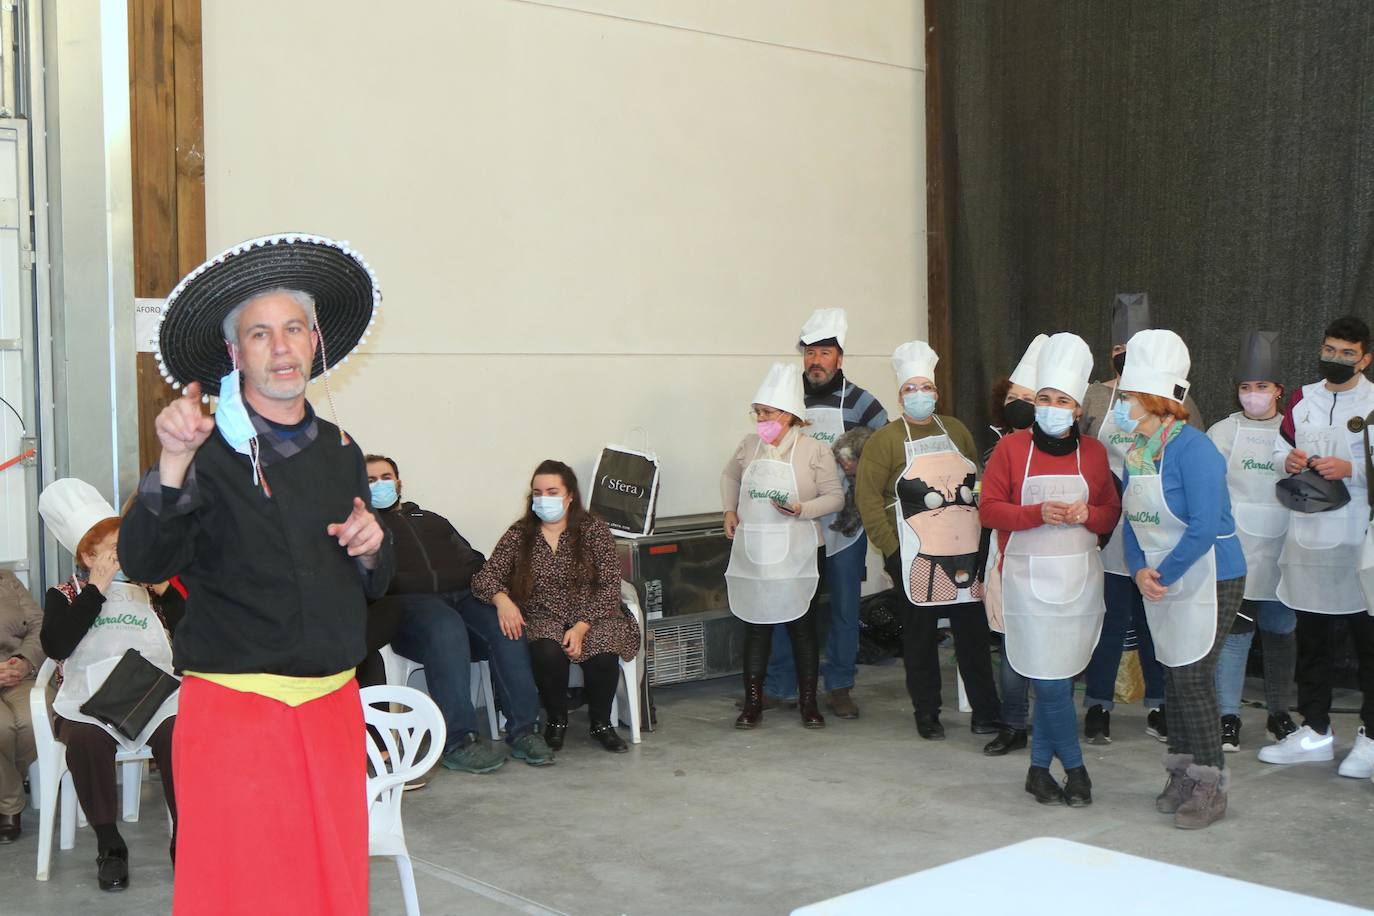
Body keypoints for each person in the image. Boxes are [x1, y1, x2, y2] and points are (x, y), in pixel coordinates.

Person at [118, 235, 395, 915]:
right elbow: (143, 563)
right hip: (236, 717)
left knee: (329, 890)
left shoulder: (341, 450)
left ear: (314, 343)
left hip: (331, 710)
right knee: (242, 893)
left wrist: (370, 546)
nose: (281, 347)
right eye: (261, 334)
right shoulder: (202, 453)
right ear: (235, 355)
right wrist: (173, 462)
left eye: (294, 329)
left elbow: (378, 582)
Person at [983, 333, 1119, 805]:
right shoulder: (1011, 450)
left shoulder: (1096, 455)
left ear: (1078, 409)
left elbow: (1110, 513)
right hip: (1026, 581)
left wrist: (1090, 515)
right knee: (1050, 680)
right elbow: (990, 510)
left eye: (1062, 400)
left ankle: (1039, 769)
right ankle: (1077, 771)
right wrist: (1034, 514)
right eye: (1045, 398)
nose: (1051, 406)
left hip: (1079, 583)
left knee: (1058, 677)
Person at [1117, 329, 1246, 830]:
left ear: (1151, 400)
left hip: (1212, 576)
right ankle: (1182, 774)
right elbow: (1131, 520)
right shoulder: (1138, 452)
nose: (1123, 406)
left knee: (1194, 680)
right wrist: (1137, 569)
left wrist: (1161, 574)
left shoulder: (1196, 450)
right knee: (1173, 676)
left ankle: (1210, 784)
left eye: (1128, 398)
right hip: (1162, 578)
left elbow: (1206, 526)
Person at [365, 454, 555, 773]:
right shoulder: (365, 530)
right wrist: (422, 583)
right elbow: (375, 580)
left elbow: (475, 562)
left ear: (399, 483)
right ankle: (458, 741)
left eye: (386, 477)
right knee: (446, 628)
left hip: (463, 596)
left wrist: (501, 597)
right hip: (411, 605)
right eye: (370, 480)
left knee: (506, 625)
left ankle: (525, 729)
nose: (381, 484)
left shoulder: (432, 519)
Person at [37, 479, 180, 891]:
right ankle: (110, 845)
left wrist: (167, 593)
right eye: (113, 548)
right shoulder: (65, 593)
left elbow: (189, 635)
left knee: (182, 732)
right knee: (84, 741)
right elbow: (56, 644)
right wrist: (96, 591)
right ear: (87, 554)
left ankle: (187, 839)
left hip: (153, 694)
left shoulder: (148, 589)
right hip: (87, 702)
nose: (125, 555)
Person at [855, 341, 1001, 740]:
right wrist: (892, 548)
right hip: (913, 552)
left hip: (963, 548)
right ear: (900, 395)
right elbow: (868, 497)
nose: (919, 395)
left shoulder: (955, 430)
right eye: (910, 389)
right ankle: (927, 712)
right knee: (919, 636)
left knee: (972, 632)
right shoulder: (884, 441)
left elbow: (973, 482)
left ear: (936, 392)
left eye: (925, 388)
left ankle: (986, 711)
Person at [1078, 294, 1204, 744]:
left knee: (1155, 619)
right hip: (1108, 522)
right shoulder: (1094, 395)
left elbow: (1190, 454)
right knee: (1110, 619)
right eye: (1118, 349)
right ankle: (1098, 704)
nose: (1125, 355)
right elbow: (1080, 453)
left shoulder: (1172, 401)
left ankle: (1159, 704)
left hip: (1158, 524)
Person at [757, 309, 888, 719]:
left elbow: (886, 453)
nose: (816, 361)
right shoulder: (786, 400)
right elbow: (763, 447)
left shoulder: (862, 402)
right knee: (788, 604)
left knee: (845, 607)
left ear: (840, 358)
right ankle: (781, 684)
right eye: (810, 352)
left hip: (842, 524)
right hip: (790, 521)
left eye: (825, 352)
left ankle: (840, 685)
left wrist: (861, 466)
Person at [1259, 315, 1374, 778]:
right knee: (1312, 642)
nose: (1337, 359)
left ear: (1365, 358)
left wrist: (1351, 470)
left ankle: (1369, 738)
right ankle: (1316, 730)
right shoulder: (1303, 400)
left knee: (1369, 645)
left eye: (1348, 353)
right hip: (1307, 540)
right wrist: (1284, 459)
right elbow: (1276, 450)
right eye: (1330, 349)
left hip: (1360, 542)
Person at [472, 460, 639, 753]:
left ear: (570, 495)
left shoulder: (593, 529)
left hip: (594, 613)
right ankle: (556, 720)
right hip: (542, 614)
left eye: (552, 492)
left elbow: (610, 585)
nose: (543, 499)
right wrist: (502, 600)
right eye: (537, 493)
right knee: (546, 649)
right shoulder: (519, 534)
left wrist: (582, 626)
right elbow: (484, 578)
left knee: (602, 649)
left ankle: (601, 723)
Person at [721, 363, 844, 729]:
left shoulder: (813, 451)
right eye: (757, 412)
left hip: (799, 551)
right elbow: (730, 475)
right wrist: (729, 509)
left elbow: (835, 497)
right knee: (756, 626)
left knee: (802, 627)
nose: (760, 418)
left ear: (789, 415)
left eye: (767, 412)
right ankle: (753, 703)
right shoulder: (748, 445)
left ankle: (808, 703)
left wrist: (802, 509)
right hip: (755, 550)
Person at [1205, 331, 1298, 753]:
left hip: (1284, 549)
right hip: (1235, 549)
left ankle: (1281, 712)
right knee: (1235, 634)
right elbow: (1208, 491)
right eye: (1246, 387)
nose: (1253, 394)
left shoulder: (1295, 433)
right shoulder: (1222, 432)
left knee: (1281, 631)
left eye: (1262, 387)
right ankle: (1228, 716)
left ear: (1279, 390)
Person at [981, 334, 1046, 757]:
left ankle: (1051, 721)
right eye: (1013, 397)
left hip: (1053, 559)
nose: (1019, 404)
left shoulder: (1074, 450)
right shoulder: (996, 450)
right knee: (1010, 645)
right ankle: (1013, 723)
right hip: (1006, 555)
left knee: (1049, 643)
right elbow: (992, 508)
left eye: (1029, 397)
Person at [0, 567, 45, 844]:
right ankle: (10, 804)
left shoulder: (7, 579)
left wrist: (24, 660)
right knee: (2, 727)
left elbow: (39, 625)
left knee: (34, 719)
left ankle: (7, 783)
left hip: (19, 672)